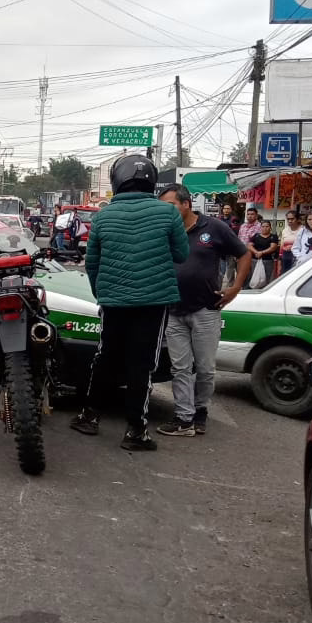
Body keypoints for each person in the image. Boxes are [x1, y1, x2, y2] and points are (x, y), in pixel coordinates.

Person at [69, 155, 188, 451]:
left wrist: (103, 294)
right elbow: (181, 254)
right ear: (151, 180)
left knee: (105, 356)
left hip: (113, 301)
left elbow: (92, 264)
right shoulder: (168, 214)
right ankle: (135, 431)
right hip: (154, 301)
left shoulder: (102, 217)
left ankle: (89, 416)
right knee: (142, 364)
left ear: (117, 180)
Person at [155, 184, 253, 437]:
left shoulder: (214, 228)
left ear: (186, 204)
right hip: (174, 310)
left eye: (170, 206)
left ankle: (200, 411)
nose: (166, 211)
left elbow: (243, 255)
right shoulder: (165, 231)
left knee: (206, 368)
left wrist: (235, 287)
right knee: (180, 368)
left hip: (206, 309)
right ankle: (183, 418)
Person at [249, 220, 279, 288]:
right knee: (255, 277)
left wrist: (262, 252)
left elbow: (273, 247)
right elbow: (249, 245)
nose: (265, 228)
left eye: (267, 226)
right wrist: (256, 252)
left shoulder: (273, 236)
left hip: (268, 260)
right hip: (255, 260)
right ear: (260, 227)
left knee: (267, 278)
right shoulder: (256, 236)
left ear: (270, 228)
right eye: (263, 226)